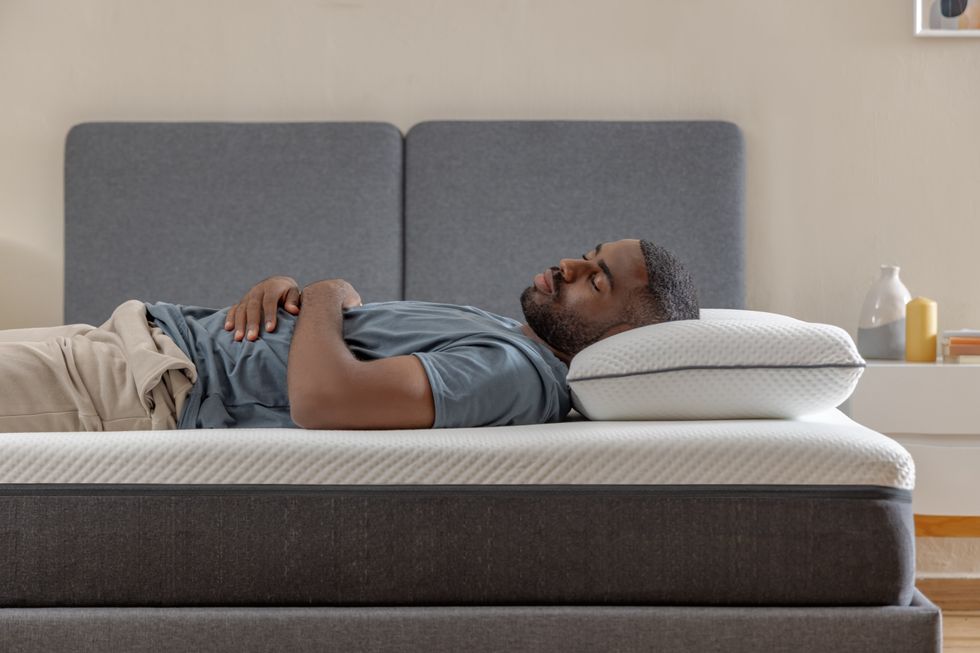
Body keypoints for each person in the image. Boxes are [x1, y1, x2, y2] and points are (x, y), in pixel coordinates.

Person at [0, 238, 698, 432]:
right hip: (134, 343)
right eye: (588, 253)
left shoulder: (516, 373)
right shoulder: (507, 334)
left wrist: (327, 293)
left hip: (136, 385)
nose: (568, 264)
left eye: (596, 280)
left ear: (621, 342)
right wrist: (284, 293)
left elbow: (323, 399)